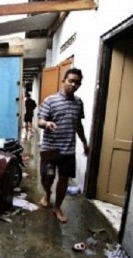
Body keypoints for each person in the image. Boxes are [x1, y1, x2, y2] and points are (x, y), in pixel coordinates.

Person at [37, 68, 89, 223]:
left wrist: (85, 142)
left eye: (77, 83)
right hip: (50, 149)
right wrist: (47, 124)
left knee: (64, 180)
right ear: (64, 81)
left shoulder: (78, 103)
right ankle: (47, 194)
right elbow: (40, 121)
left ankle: (57, 207)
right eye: (71, 81)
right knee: (47, 177)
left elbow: (78, 124)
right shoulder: (50, 100)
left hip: (68, 150)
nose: (73, 84)